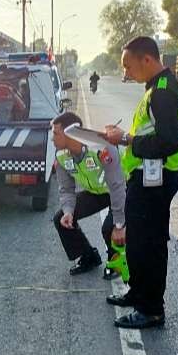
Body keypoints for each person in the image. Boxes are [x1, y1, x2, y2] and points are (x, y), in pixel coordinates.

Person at [105, 36, 178, 329]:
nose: (127, 73)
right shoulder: (156, 87)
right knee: (138, 243)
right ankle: (139, 294)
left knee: (148, 246)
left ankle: (151, 309)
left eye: (129, 66)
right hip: (146, 178)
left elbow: (169, 141)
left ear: (147, 60)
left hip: (156, 180)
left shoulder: (163, 91)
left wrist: (125, 139)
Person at [51, 112, 126, 278]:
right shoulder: (61, 156)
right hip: (97, 192)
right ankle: (88, 257)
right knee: (60, 218)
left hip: (123, 189)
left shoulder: (100, 148)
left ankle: (117, 262)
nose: (52, 138)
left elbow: (117, 186)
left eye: (55, 133)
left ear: (71, 133)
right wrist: (69, 211)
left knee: (110, 227)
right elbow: (66, 189)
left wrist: (119, 223)